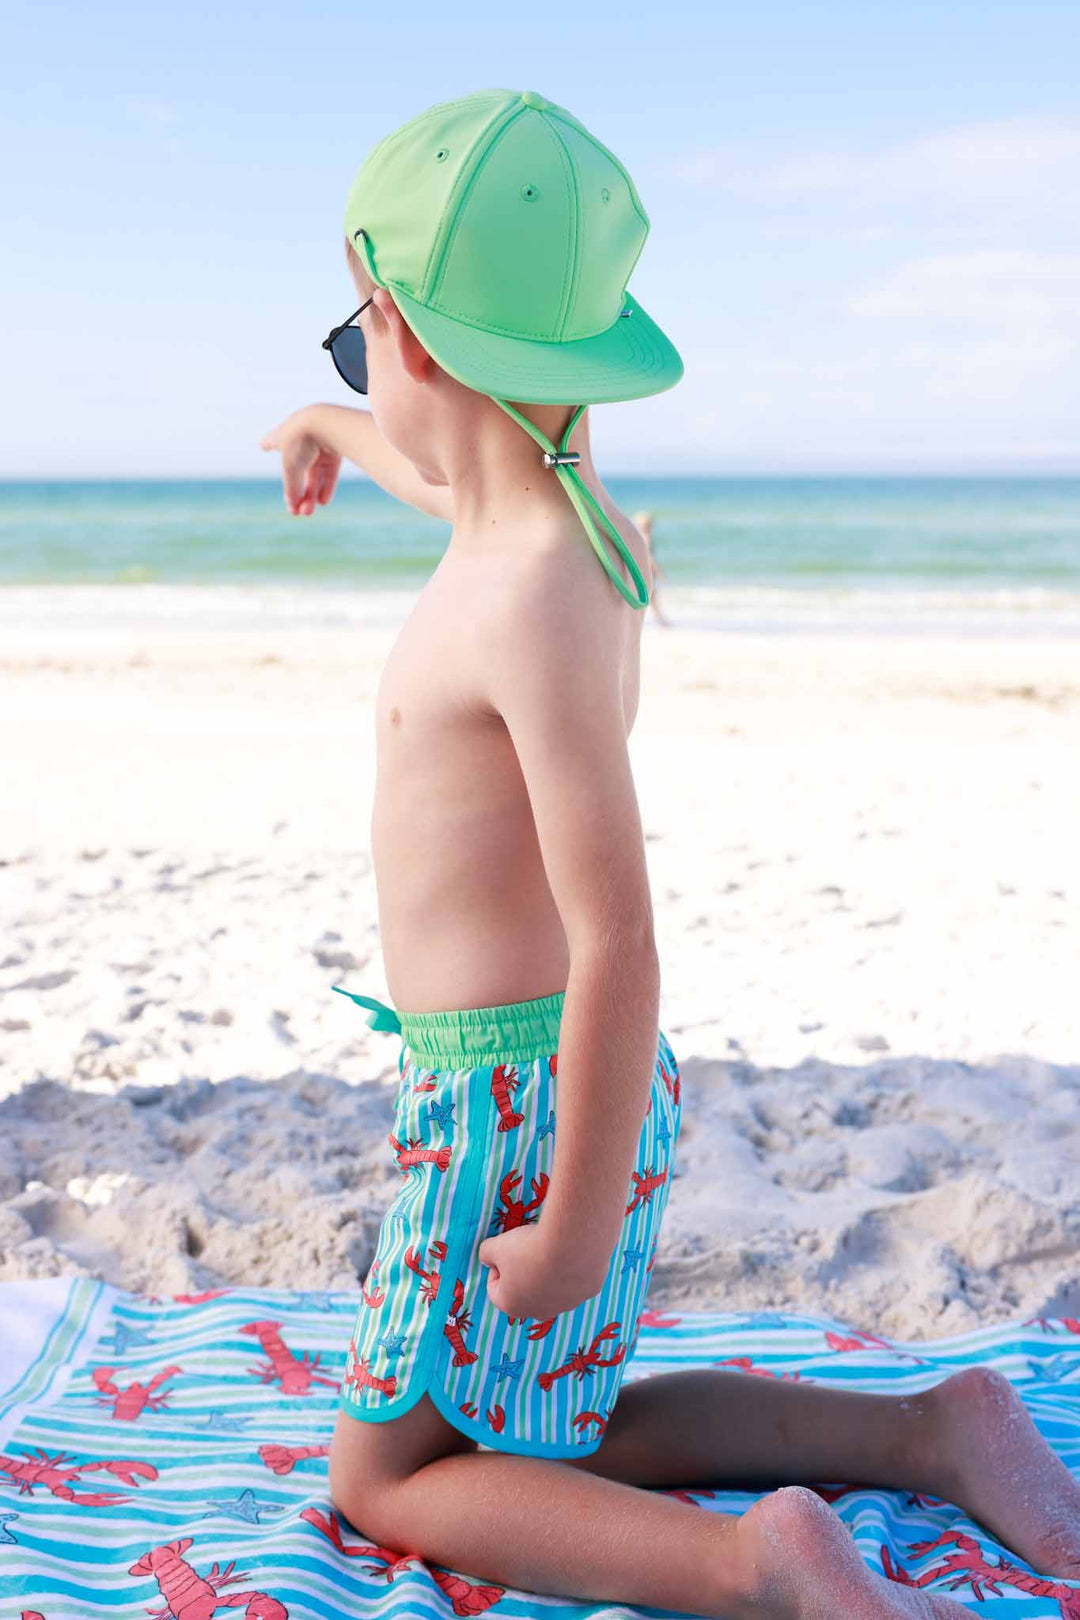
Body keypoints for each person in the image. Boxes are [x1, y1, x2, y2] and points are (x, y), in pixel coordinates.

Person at [260, 88, 1079, 1620]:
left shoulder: (513, 603)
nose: (359, 375)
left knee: (380, 1478)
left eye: (350, 343)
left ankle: (746, 1565)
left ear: (404, 327)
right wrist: (332, 426)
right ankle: (929, 1429)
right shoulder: (571, 525)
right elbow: (447, 470)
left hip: (514, 1107)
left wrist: (569, 1222)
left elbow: (616, 933)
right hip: (578, 1089)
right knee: (552, 1422)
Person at [632, 508, 671, 626]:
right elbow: (649, 557)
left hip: (642, 570)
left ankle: (659, 620)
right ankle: (660, 620)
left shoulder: (639, 537)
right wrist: (658, 571)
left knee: (650, 597)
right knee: (651, 596)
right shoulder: (647, 538)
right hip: (647, 571)